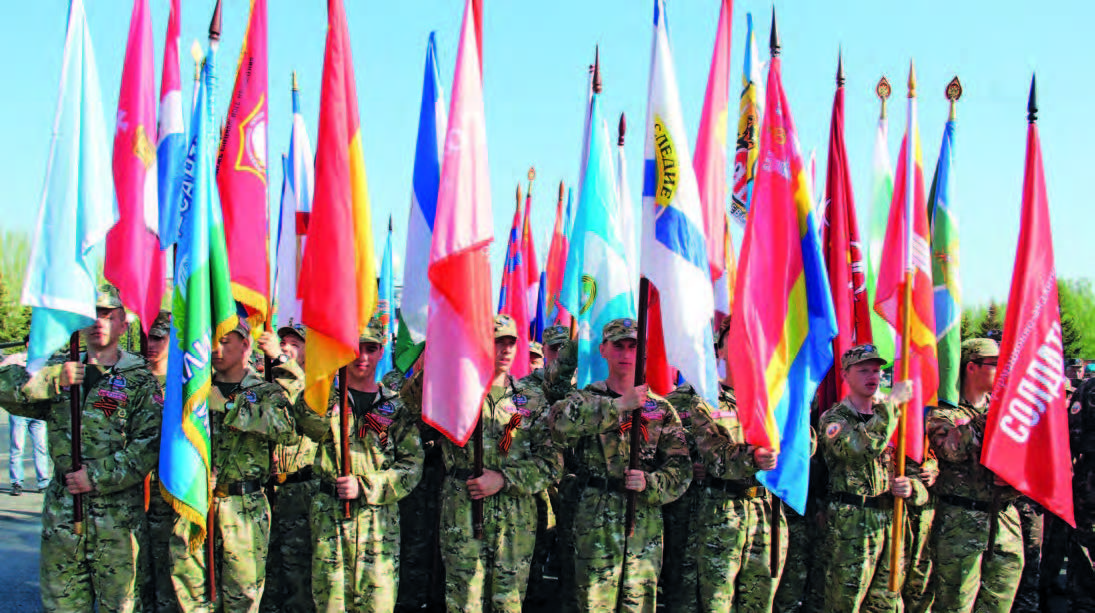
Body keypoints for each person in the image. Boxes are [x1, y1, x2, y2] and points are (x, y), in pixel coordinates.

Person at [0, 285, 162, 612]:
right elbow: (6, 389)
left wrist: (96, 476)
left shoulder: (139, 379)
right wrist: (51, 379)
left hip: (117, 517)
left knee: (122, 605)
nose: (98, 322)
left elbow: (148, 445)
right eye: (92, 314)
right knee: (63, 604)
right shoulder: (62, 369)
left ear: (123, 324)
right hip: (64, 513)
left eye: (107, 315)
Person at [550, 318, 692, 612]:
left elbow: (681, 469)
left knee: (638, 604)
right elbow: (558, 424)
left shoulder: (660, 409)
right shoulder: (586, 398)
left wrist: (650, 483)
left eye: (633, 346)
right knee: (593, 603)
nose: (626, 354)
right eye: (618, 346)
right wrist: (617, 407)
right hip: (595, 518)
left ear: (644, 352)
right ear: (603, 349)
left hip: (643, 521)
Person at [170, 319, 302, 613]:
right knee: (192, 596)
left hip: (243, 506)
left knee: (243, 596)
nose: (216, 349)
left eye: (225, 341)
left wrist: (230, 408)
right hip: (195, 502)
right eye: (212, 341)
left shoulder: (265, 390)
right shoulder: (193, 387)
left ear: (245, 344)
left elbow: (288, 429)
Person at [292, 317, 423, 612]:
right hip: (331, 517)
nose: (362, 357)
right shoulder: (322, 398)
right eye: (355, 347)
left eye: (371, 348)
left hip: (378, 523)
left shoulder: (396, 407)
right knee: (331, 603)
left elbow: (412, 465)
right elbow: (306, 423)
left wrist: (366, 485)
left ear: (381, 351)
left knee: (378, 604)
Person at [675, 316, 785, 612]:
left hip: (766, 511)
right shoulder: (707, 402)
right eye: (735, 342)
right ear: (720, 351)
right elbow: (716, 457)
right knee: (717, 603)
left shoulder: (775, 399)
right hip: (722, 512)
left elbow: (805, 442)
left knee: (760, 602)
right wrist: (754, 457)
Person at [818, 344, 918, 613]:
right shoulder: (834, 419)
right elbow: (856, 450)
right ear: (845, 375)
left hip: (890, 520)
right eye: (863, 370)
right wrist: (891, 405)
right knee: (845, 602)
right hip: (852, 522)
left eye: (876, 370)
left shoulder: (892, 416)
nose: (872, 376)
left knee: (886, 604)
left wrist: (911, 487)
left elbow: (914, 464)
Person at [927, 338, 1023, 613]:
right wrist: (991, 417)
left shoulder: (1009, 412)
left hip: (1004, 518)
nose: (1004, 371)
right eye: (996, 364)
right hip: (961, 523)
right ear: (971, 367)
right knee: (955, 605)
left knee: (998, 605)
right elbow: (951, 451)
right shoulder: (945, 412)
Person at [261, 323, 319, 613]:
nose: (285, 347)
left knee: (299, 574)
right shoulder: (267, 385)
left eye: (295, 344)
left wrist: (281, 360)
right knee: (267, 574)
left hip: (301, 490)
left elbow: (301, 400)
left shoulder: (317, 384)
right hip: (266, 491)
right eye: (283, 342)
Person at [4, 334, 51, 496]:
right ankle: (16, 482)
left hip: (38, 410)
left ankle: (43, 482)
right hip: (20, 410)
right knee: (17, 447)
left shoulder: (45, 361)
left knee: (41, 447)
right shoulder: (16, 359)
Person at [1068, 376, 1095, 612]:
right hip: (1090, 477)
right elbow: (1072, 434)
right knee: (1084, 536)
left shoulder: (1088, 387)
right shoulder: (1089, 388)